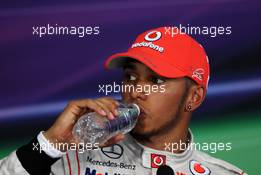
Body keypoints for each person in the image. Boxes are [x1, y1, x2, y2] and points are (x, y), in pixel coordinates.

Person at [0, 27, 247, 175]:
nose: (136, 90)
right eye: (131, 76)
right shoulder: (73, 158)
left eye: (156, 81)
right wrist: (48, 145)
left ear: (194, 97)